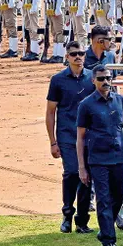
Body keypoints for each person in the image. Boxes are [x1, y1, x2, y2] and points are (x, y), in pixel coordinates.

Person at [76, 65, 123, 246]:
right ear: (93, 81)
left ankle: (105, 229)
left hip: (118, 157)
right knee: (103, 200)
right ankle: (109, 242)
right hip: (97, 160)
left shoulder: (121, 101)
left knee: (119, 197)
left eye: (108, 78)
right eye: (101, 79)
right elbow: (80, 138)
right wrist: (82, 167)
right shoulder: (86, 105)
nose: (105, 82)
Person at [45, 41, 95, 235]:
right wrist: (52, 142)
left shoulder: (91, 77)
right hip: (67, 135)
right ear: (67, 57)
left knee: (87, 177)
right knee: (72, 172)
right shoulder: (58, 80)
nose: (78, 57)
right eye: (73, 54)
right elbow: (50, 112)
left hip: (90, 135)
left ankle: (82, 220)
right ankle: (67, 213)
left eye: (81, 53)